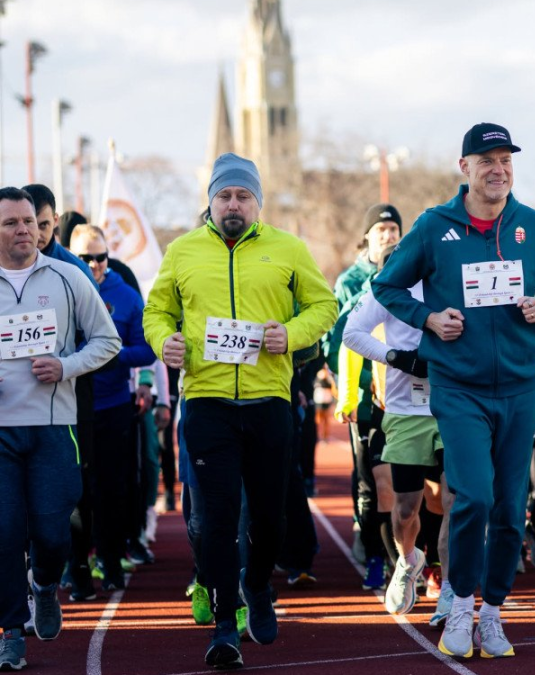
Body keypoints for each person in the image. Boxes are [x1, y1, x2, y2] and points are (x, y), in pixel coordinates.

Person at [372, 122, 535, 659]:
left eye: (506, 160)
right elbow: (386, 284)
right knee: (475, 497)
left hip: (519, 387)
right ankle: (459, 606)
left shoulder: (533, 226)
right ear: (464, 168)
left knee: (512, 508)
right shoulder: (434, 226)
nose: (498, 169)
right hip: (458, 387)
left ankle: (492, 614)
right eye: (486, 160)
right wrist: (428, 318)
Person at [143, 153, 336, 669]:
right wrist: (167, 341)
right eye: (225, 195)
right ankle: (226, 625)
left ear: (257, 203)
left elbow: (325, 306)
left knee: (269, 516)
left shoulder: (287, 248)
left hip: (268, 400)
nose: (234, 204)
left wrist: (289, 335)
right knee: (218, 519)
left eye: (243, 196)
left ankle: (258, 583)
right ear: (210, 201)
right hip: (207, 401)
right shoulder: (182, 252)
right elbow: (157, 311)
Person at [0, 187, 120, 672]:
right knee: (5, 533)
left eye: (29, 220)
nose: (24, 230)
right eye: (11, 223)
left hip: (53, 427)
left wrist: (66, 366)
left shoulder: (68, 277)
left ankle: (45, 585)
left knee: (53, 534)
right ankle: (11, 630)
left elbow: (107, 340)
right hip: (2, 433)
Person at [343, 257, 453, 624]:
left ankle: (451, 590)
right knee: (406, 507)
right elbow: (351, 332)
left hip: (456, 405)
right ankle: (408, 562)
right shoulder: (390, 283)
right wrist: (395, 357)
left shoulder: (455, 274)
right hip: (407, 410)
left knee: (453, 499)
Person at [68, 224, 156, 593]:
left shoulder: (127, 296)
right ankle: (78, 567)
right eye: (85, 258)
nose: (95, 265)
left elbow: (148, 349)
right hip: (71, 409)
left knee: (114, 489)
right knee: (76, 492)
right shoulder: (63, 288)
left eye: (101, 256)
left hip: (115, 406)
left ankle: (111, 559)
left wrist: (112, 355)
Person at [331, 203, 402, 580]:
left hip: (413, 401)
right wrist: (353, 394)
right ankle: (376, 553)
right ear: (367, 237)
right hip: (369, 401)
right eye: (381, 230)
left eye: (394, 229)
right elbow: (340, 343)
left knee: (417, 484)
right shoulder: (353, 284)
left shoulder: (415, 278)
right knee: (371, 482)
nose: (389, 235)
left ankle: (414, 557)